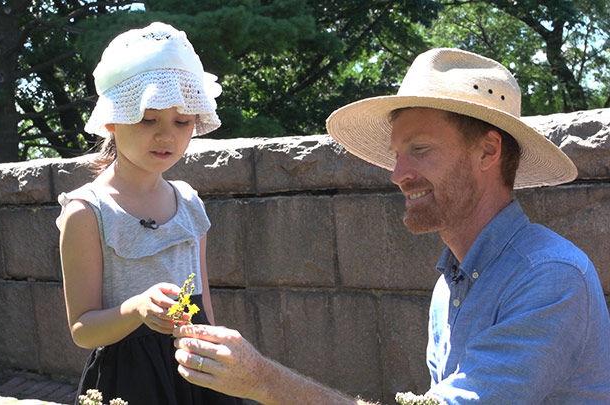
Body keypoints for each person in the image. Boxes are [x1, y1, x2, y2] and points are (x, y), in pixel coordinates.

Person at [172, 48, 610, 404]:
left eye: (419, 149)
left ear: (488, 151)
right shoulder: (453, 281)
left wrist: (263, 381)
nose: (397, 174)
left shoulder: (550, 277)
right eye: (397, 154)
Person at [56, 22, 241, 405]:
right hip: (131, 380)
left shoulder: (189, 202)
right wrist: (137, 308)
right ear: (112, 119)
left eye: (182, 121)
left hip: (196, 370)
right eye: (147, 118)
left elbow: (203, 304)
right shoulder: (88, 212)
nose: (166, 136)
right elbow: (82, 328)